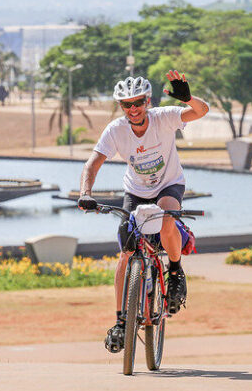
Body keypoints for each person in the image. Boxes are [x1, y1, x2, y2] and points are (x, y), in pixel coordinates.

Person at [77, 70, 209, 353]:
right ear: (121, 107)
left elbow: (201, 111)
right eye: (127, 104)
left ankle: (174, 272)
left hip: (169, 185)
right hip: (135, 192)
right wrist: (85, 194)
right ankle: (121, 321)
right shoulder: (115, 130)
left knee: (166, 219)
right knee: (126, 251)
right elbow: (93, 164)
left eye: (138, 102)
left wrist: (187, 97)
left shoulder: (163, 117)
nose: (133, 109)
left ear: (148, 101)